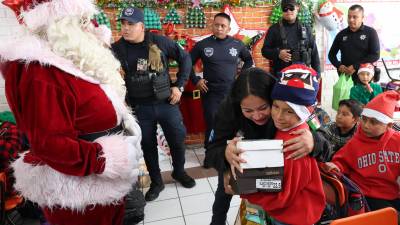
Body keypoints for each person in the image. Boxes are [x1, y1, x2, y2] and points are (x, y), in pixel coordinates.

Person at [0, 1, 143, 225]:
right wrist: (105, 159)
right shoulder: (39, 72)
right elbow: (50, 144)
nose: (94, 27)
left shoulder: (71, 59)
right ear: (60, 25)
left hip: (106, 184)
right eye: (83, 21)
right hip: (79, 195)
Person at [205, 67, 332, 225]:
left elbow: (327, 142)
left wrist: (314, 141)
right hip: (240, 165)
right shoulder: (227, 110)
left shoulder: (288, 98)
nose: (257, 116)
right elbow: (211, 150)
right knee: (223, 195)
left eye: (263, 108)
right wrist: (225, 154)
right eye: (248, 110)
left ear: (274, 97)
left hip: (278, 180)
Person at [111, 7, 195, 202]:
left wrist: (179, 86)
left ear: (142, 26)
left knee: (177, 139)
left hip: (167, 102)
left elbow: (185, 58)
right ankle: (157, 182)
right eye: (123, 24)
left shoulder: (159, 42)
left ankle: (179, 172)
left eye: (130, 24)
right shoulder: (117, 49)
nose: (126, 28)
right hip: (140, 107)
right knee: (147, 145)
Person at [242, 64, 325, 225]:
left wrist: (246, 190)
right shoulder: (286, 128)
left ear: (303, 113)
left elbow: (283, 197)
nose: (278, 117)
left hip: (293, 216)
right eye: (275, 106)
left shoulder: (295, 145)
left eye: (289, 111)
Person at [325, 91, 400, 213]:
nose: (365, 125)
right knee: (392, 216)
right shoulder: (356, 141)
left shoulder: (397, 141)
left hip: (392, 193)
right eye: (364, 120)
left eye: (373, 122)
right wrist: (336, 165)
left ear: (389, 125)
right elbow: (342, 161)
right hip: (364, 194)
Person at [190, 12, 254, 148]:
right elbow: (186, 63)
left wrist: (241, 76)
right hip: (210, 91)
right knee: (212, 122)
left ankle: (228, 151)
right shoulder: (202, 45)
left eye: (223, 26)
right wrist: (196, 80)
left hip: (231, 91)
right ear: (212, 26)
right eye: (217, 25)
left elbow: (248, 60)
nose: (219, 28)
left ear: (228, 29)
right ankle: (210, 152)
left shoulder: (237, 44)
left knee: (232, 121)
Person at [261, 0, 320, 76]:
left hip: (304, 75)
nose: (288, 11)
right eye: (285, 9)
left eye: (291, 8)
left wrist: (318, 73)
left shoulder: (306, 28)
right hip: (282, 75)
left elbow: (314, 52)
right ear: (282, 11)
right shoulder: (274, 29)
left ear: (297, 8)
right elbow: (264, 51)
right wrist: (278, 53)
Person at [328, 4, 380, 83]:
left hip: (364, 78)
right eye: (349, 17)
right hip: (345, 77)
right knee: (346, 96)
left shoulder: (371, 32)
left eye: (355, 17)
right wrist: (339, 66)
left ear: (362, 18)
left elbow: (375, 55)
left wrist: (355, 66)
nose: (351, 19)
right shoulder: (341, 34)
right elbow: (331, 55)